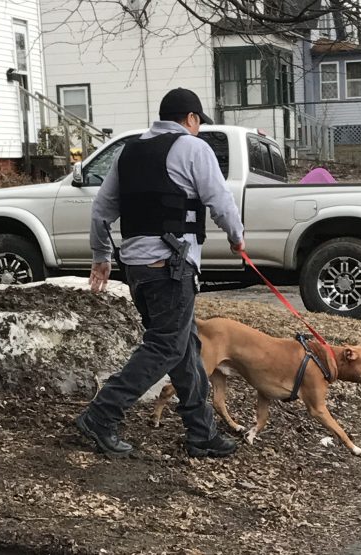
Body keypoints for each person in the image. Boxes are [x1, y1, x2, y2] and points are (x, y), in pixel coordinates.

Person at [75, 88, 245, 458]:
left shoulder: (129, 151)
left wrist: (101, 255)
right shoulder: (194, 148)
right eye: (199, 124)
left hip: (136, 268)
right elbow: (220, 200)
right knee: (166, 345)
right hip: (170, 268)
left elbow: (101, 210)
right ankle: (101, 414)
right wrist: (237, 238)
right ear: (191, 119)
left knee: (184, 348)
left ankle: (201, 434)